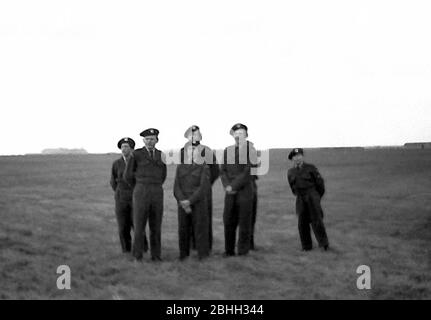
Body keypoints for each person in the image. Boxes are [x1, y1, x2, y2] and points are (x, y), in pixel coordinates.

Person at [124, 128, 167, 262]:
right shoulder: (136, 154)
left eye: (152, 139)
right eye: (147, 139)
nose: (150, 141)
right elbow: (127, 175)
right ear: (143, 140)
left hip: (157, 193)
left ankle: (156, 256)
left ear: (157, 140)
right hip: (141, 192)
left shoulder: (161, 155)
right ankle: (138, 256)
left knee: (156, 227)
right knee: (139, 226)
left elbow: (163, 175)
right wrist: (139, 186)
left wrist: (155, 185)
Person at [220, 123, 257, 257]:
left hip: (245, 191)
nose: (238, 136)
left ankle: (242, 252)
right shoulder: (227, 150)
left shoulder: (251, 150)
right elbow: (222, 170)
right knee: (228, 220)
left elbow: (247, 172)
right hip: (230, 192)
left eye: (241, 133)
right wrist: (227, 186)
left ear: (246, 135)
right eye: (236, 133)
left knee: (244, 222)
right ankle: (228, 251)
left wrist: (233, 186)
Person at [180, 125, 219, 251]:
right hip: (187, 191)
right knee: (188, 217)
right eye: (191, 135)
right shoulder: (183, 151)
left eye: (196, 134)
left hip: (203, 191)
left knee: (204, 218)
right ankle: (191, 245)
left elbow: (215, 170)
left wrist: (206, 185)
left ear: (200, 136)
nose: (194, 137)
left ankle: (205, 246)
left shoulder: (206, 150)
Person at [287, 148, 329, 251]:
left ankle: (324, 244)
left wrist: (316, 197)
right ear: (292, 159)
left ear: (302, 156)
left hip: (312, 196)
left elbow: (320, 184)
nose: (297, 158)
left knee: (317, 220)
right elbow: (292, 187)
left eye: (299, 156)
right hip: (300, 198)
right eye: (295, 157)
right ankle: (306, 246)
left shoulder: (311, 168)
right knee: (302, 223)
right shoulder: (291, 172)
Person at [174, 145, 211, 260]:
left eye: (194, 150)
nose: (191, 152)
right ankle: (183, 255)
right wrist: (183, 201)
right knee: (183, 229)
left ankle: (202, 255)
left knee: (200, 229)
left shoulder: (204, 167)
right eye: (189, 150)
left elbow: (203, 188)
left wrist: (189, 201)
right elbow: (176, 187)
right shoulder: (180, 167)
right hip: (183, 203)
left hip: (198, 203)